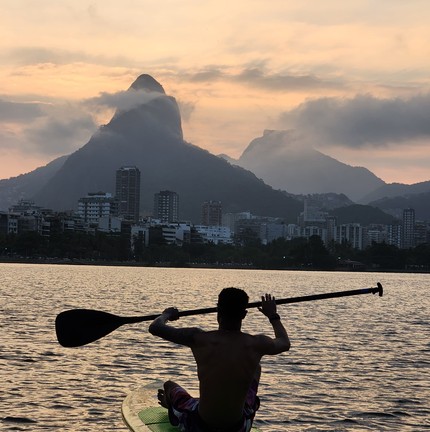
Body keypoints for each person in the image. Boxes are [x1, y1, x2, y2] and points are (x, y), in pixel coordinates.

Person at [148, 287, 291, 432]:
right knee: (256, 368)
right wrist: (273, 315)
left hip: (199, 426)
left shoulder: (199, 338)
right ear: (244, 314)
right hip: (239, 427)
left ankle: (174, 409)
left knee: (169, 386)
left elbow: (155, 327)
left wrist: (166, 314)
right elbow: (284, 342)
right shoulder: (257, 344)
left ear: (218, 311)